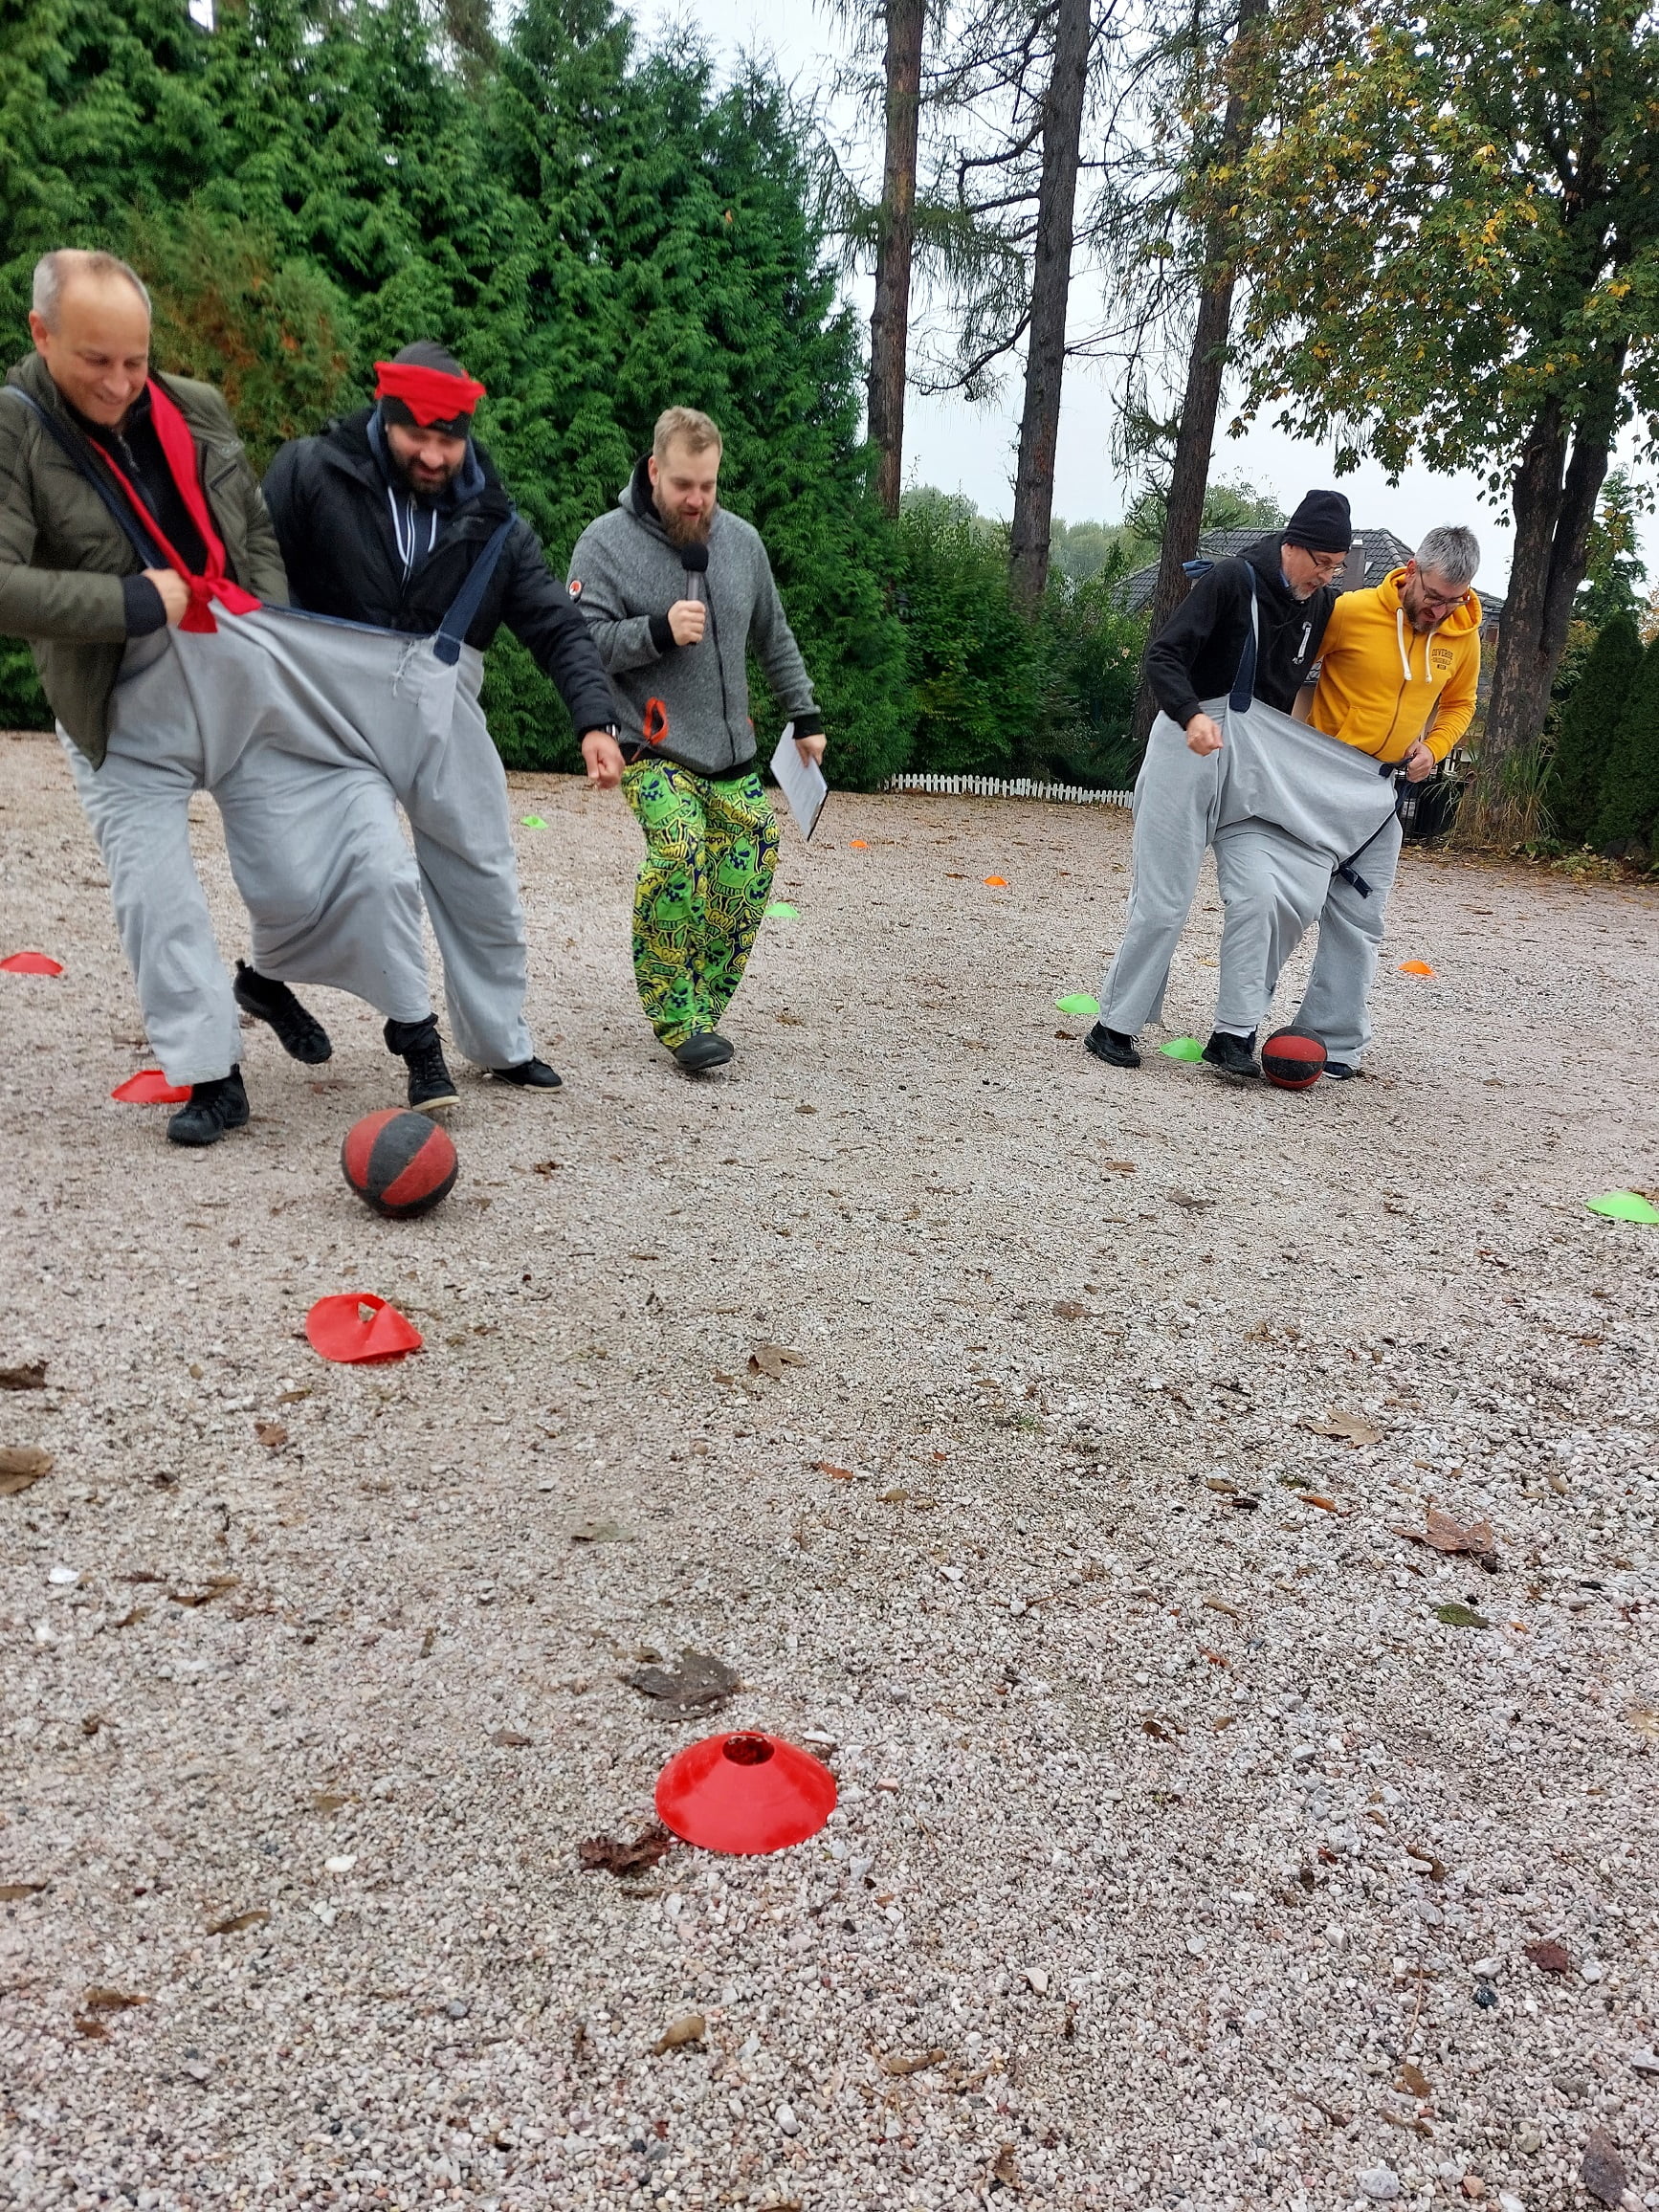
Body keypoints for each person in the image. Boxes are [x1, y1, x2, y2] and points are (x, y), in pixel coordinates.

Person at [260, 341, 621, 1107]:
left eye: (447, 439)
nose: (432, 453)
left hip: (443, 700)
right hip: (330, 702)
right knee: (355, 866)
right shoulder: (306, 472)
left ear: (466, 433)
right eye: (415, 435)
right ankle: (301, 989)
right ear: (385, 416)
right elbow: (248, 572)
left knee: (483, 865)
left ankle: (500, 1043)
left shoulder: (497, 522)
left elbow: (557, 626)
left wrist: (595, 720)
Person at [0, 249, 303, 1146]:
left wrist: (275, 628)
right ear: (41, 334)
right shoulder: (13, 426)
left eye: (136, 360)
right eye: (97, 361)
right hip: (115, 694)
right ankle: (212, 1073)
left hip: (229, 670)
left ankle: (272, 973)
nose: (122, 383)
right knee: (156, 891)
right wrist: (134, 600)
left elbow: (249, 522)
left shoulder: (195, 404)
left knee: (300, 867)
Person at [565, 407, 825, 1073]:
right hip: (651, 745)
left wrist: (806, 716)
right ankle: (673, 1015)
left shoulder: (741, 542)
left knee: (752, 862)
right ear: (654, 470)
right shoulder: (605, 543)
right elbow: (578, 641)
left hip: (730, 752)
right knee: (679, 849)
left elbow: (775, 636)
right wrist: (654, 629)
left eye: (708, 485)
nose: (697, 499)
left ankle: (702, 1008)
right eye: (684, 484)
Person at [1087, 490, 1353, 1078]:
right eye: (1324, 563)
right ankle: (1114, 1025)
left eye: (1338, 567)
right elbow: (1163, 656)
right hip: (1190, 743)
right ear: (1294, 545)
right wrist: (1190, 715)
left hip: (1259, 761)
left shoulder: (1322, 605)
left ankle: (1234, 1034)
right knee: (1165, 899)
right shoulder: (1230, 580)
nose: (1328, 577)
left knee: (1266, 894)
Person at [1276, 526, 1482, 1076]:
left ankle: (1335, 1042)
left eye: (1455, 600)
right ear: (1412, 569)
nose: (1441, 611)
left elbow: (1460, 704)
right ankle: (1238, 1023)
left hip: (1384, 790)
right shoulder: (1350, 611)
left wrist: (1434, 748)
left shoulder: (1464, 635)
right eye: (1434, 596)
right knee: (1287, 906)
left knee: (1360, 919)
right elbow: (1288, 670)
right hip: (1320, 779)